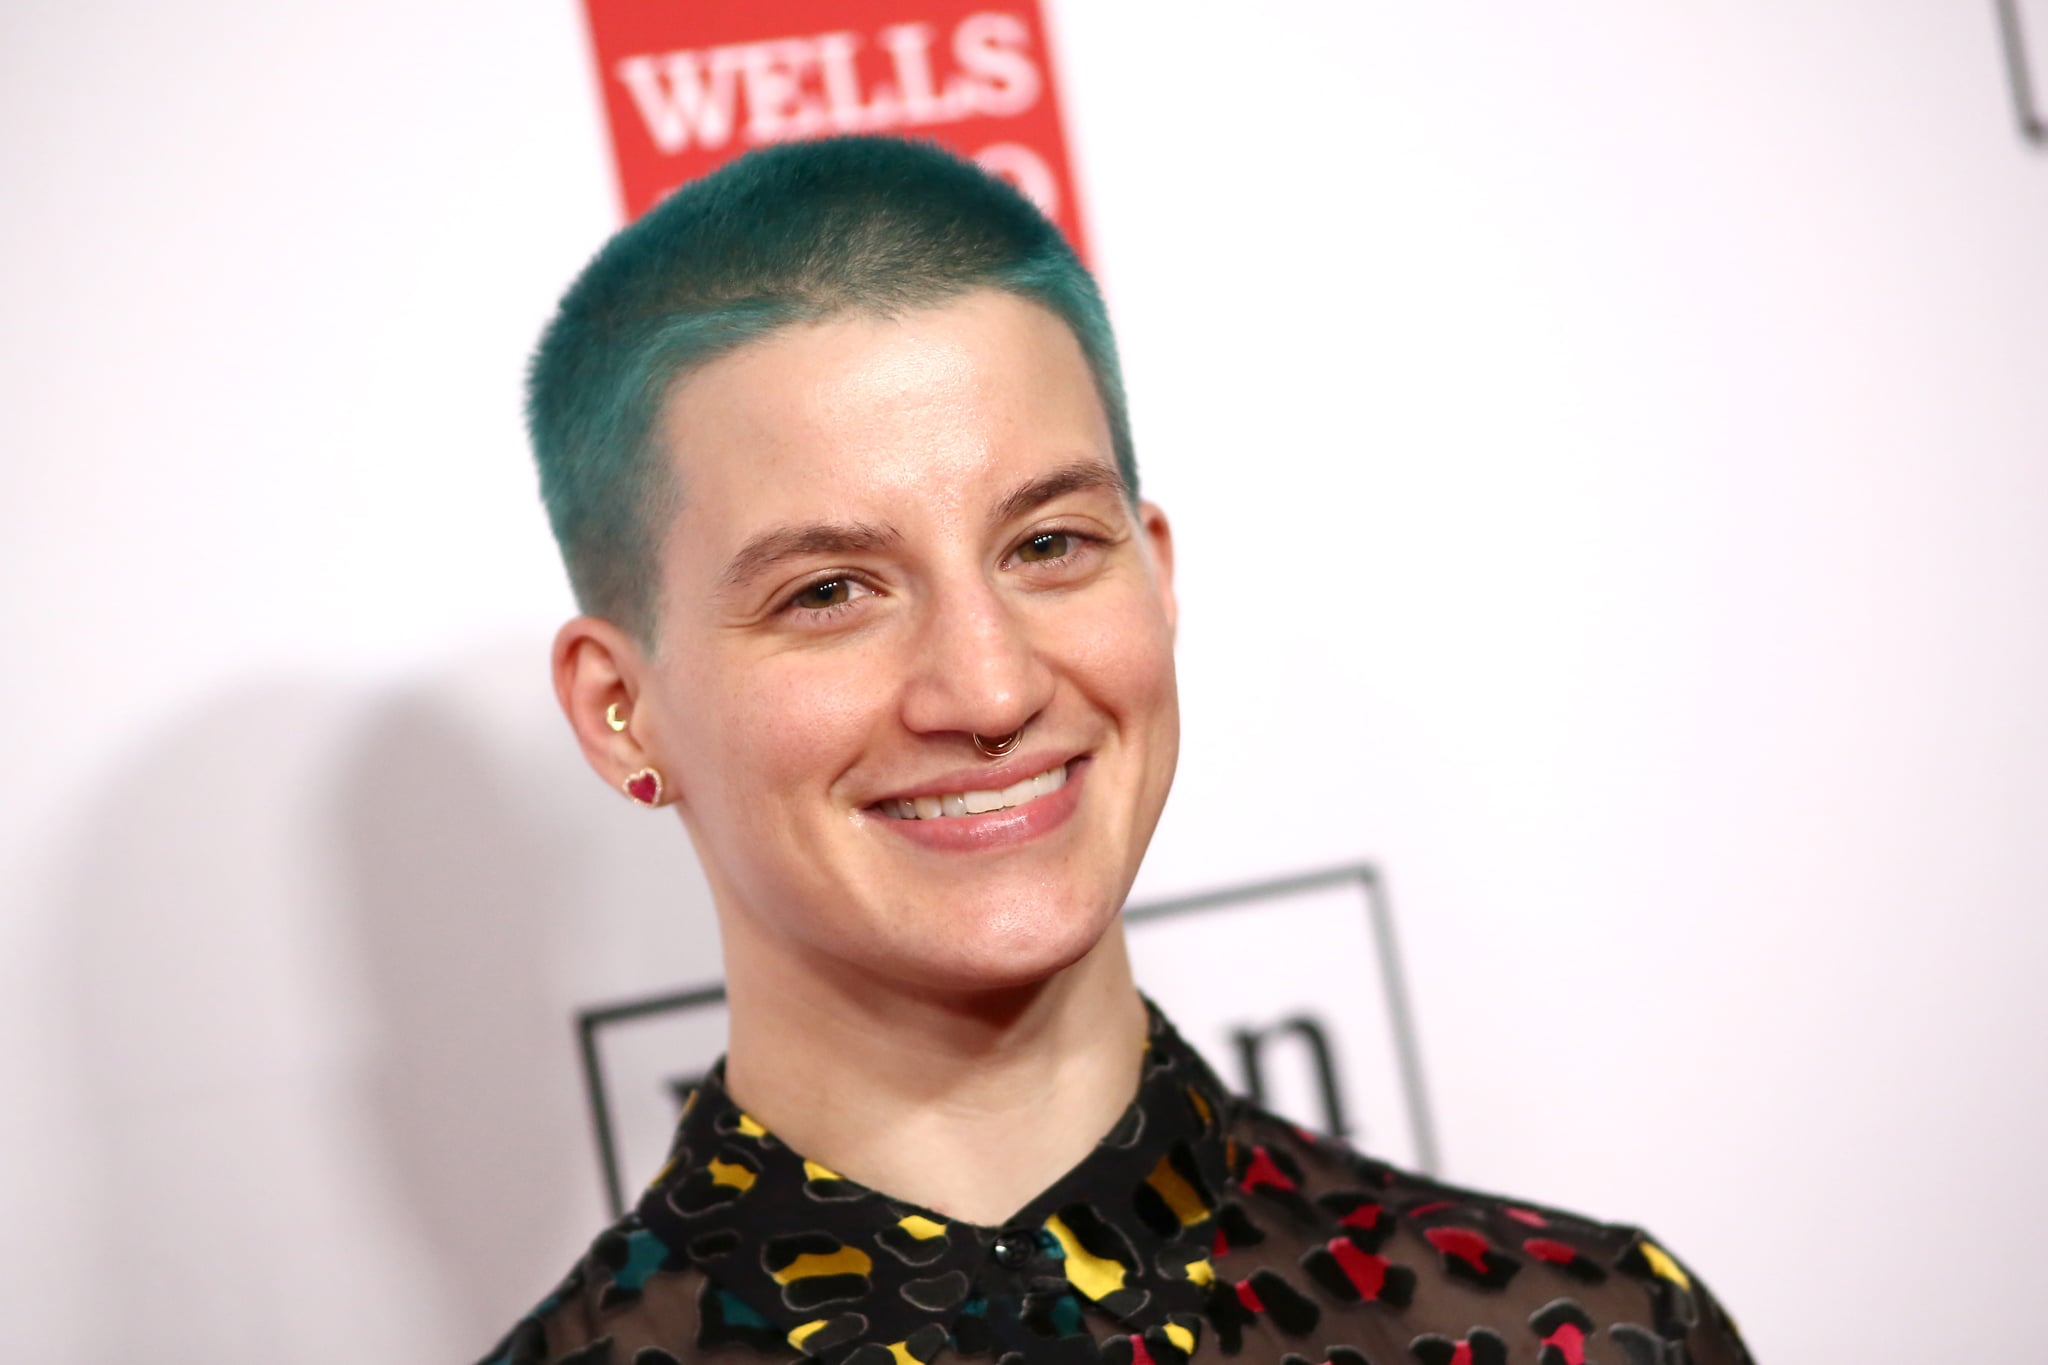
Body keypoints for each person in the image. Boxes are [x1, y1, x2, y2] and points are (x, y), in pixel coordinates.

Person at [481, 135, 1752, 1365]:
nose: (987, 687)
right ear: (616, 709)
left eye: (1047, 546)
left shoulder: (1585, 1331)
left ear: (1155, 574)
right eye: (829, 591)